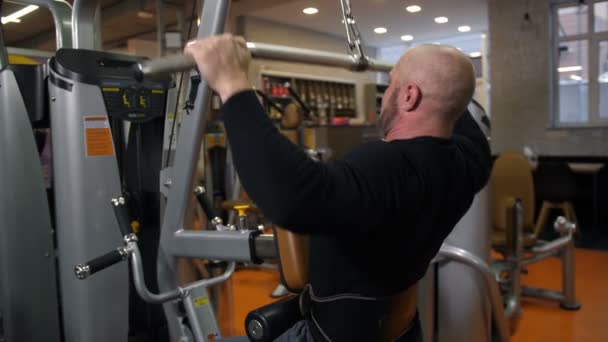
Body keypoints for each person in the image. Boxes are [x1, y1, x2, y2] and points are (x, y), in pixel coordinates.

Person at [185, 35, 491, 342]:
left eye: (392, 86)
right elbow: (454, 98)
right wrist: (437, 75)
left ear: (409, 96)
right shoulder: (469, 164)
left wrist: (231, 83)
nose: (384, 99)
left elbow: (293, 197)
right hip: (402, 333)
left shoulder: (387, 165)